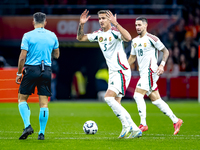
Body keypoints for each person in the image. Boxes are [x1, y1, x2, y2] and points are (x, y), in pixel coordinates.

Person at [77, 9, 142, 139]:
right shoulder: (98, 34)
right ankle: (135, 129)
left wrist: (116, 23)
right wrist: (81, 24)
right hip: (113, 72)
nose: (101, 21)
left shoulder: (115, 32)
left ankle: (127, 126)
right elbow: (80, 38)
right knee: (116, 103)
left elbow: (128, 38)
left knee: (108, 98)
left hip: (122, 70)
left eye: (103, 18)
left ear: (109, 19)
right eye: (99, 18)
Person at [128, 17, 183, 135]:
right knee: (156, 100)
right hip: (143, 73)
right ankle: (176, 120)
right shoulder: (134, 41)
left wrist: (162, 65)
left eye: (139, 25)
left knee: (137, 95)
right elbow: (132, 57)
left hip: (151, 72)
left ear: (145, 25)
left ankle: (143, 124)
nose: (137, 27)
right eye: (136, 25)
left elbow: (166, 51)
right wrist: (124, 67)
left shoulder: (152, 38)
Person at [16, 12, 60, 140]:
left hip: (31, 69)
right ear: (45, 22)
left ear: (33, 22)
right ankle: (41, 133)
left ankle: (27, 125)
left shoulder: (27, 36)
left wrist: (19, 73)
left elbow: (22, 57)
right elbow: (57, 55)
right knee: (44, 103)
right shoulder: (52, 35)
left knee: (22, 98)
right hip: (46, 70)